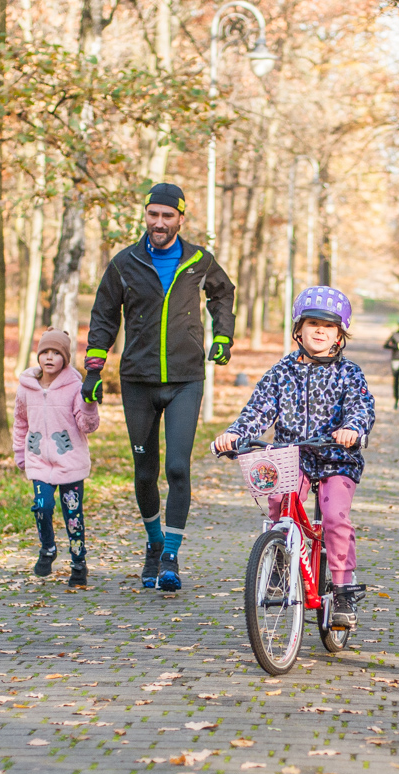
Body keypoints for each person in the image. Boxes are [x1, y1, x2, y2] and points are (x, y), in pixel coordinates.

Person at [85, 183, 235, 592]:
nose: (159, 222)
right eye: (153, 214)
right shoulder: (124, 263)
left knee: (178, 467)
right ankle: (153, 544)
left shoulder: (199, 260)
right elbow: (103, 316)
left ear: (181, 219)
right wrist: (93, 370)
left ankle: (170, 555)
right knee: (145, 472)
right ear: (146, 216)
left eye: (168, 216)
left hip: (186, 379)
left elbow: (223, 294)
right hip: (137, 380)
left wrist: (223, 336)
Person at [212, 287, 375, 628]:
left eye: (328, 326)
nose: (319, 331)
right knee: (278, 501)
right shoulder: (280, 373)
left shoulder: (349, 373)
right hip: (293, 455)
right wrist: (234, 434)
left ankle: (344, 590)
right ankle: (281, 559)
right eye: (313, 323)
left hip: (336, 456)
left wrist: (353, 429)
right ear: (298, 329)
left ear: (339, 335)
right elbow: (257, 411)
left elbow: (362, 408)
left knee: (334, 517)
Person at [13, 329, 101, 587]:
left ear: (65, 358)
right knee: (42, 506)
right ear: (38, 356)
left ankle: (78, 563)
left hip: (69, 461)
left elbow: (87, 426)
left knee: (73, 515)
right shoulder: (27, 387)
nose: (49, 358)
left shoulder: (75, 385)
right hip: (39, 459)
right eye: (45, 353)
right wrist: (20, 452)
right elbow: (20, 421)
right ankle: (48, 548)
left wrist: (89, 402)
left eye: (56, 354)